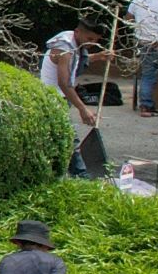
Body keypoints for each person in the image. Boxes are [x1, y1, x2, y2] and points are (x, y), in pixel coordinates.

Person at [37, 24, 107, 177]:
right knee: (70, 138)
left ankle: (55, 172)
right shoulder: (65, 49)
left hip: (60, 95)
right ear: (78, 32)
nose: (91, 43)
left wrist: (99, 56)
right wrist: (83, 109)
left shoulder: (75, 42)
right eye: (89, 39)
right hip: (53, 97)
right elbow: (65, 83)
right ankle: (81, 177)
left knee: (57, 136)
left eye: (95, 41)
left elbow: (77, 61)